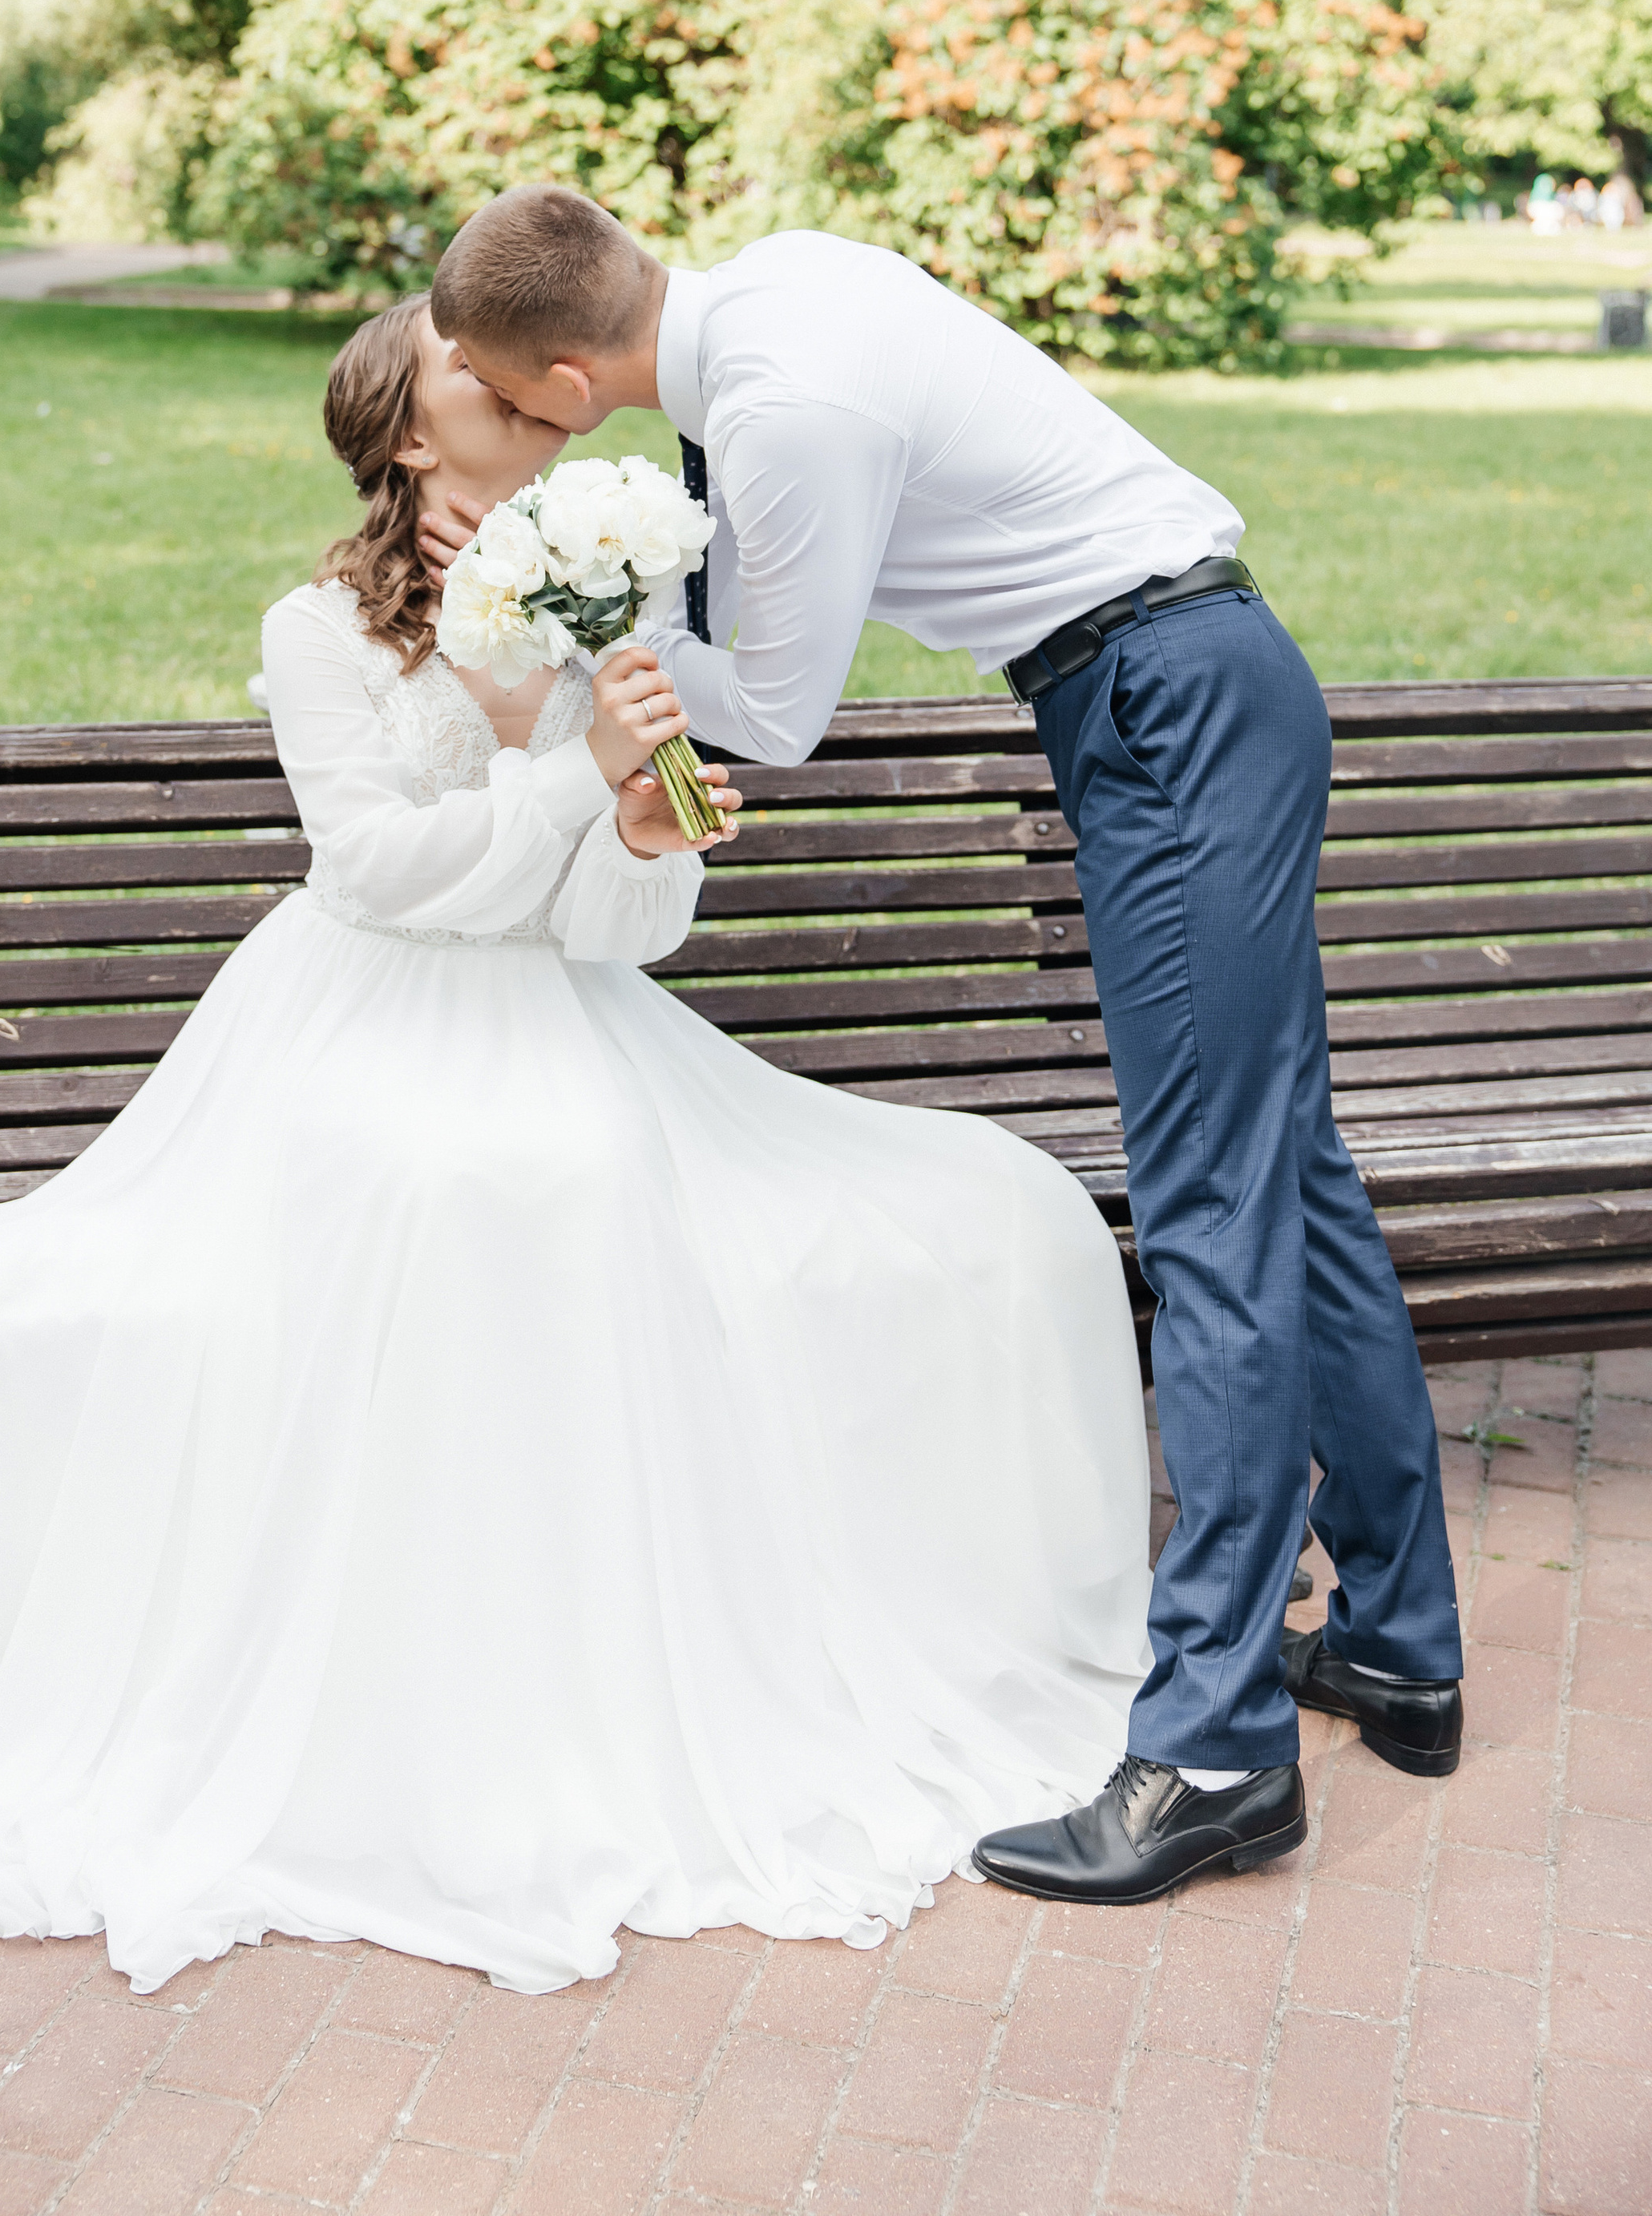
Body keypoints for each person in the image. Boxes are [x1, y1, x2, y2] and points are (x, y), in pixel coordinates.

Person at [0, 294, 1152, 1994]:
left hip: (564, 1015)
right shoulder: (318, 632)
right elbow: (375, 871)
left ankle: (614, 1672)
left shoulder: (608, 601)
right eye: (461, 359)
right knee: (489, 1180)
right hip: (356, 1022)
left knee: (978, 1203)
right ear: (405, 426)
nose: (507, 373)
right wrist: (561, 772)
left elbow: (622, 931)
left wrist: (642, 824)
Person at [430, 193, 1464, 1911]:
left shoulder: (782, 412)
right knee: (1287, 1171)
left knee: (1211, 1211)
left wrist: (592, 630)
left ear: (559, 379)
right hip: (1192, 680)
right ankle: (1399, 1642)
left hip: (1163, 708)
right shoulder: (778, 294)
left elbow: (778, 713)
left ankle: (1214, 1754)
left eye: (488, 383)